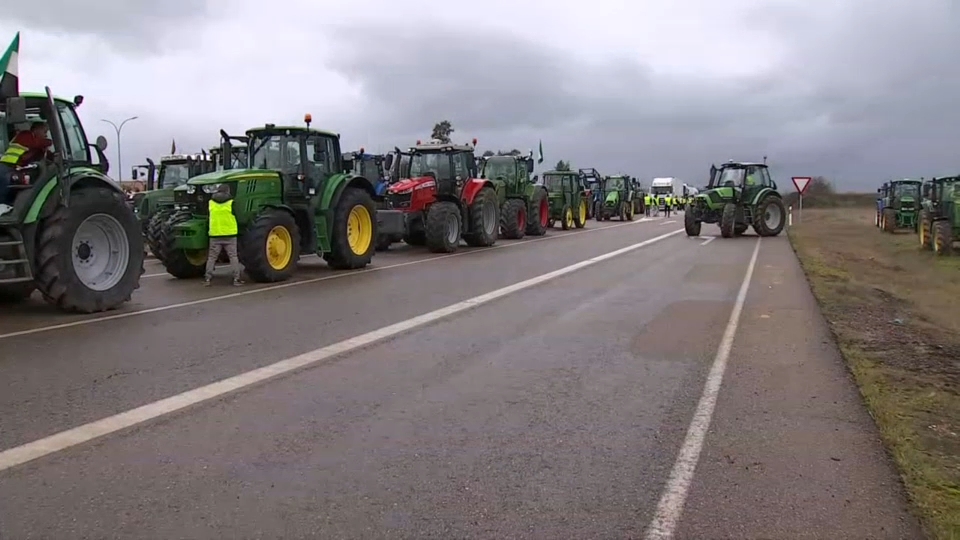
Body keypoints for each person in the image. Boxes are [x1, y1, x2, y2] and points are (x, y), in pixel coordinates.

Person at [0, 119, 53, 216]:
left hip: (15, 168)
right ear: (36, 129)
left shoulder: (37, 145)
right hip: (5, 165)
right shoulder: (25, 135)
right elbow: (38, 143)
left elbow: (46, 155)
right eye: (44, 132)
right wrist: (51, 142)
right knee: (4, 184)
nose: (46, 135)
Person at [204, 184, 243, 286]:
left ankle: (208, 279)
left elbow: (208, 218)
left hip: (215, 234)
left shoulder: (211, 203)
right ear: (228, 191)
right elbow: (238, 216)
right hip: (230, 234)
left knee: (212, 257)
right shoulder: (231, 203)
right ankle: (236, 279)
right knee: (233, 257)